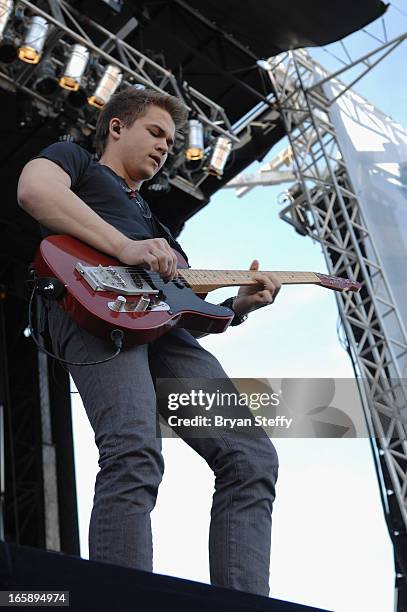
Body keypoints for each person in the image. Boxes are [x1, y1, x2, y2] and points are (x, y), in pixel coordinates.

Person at [17, 88, 281, 597]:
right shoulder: (78, 160)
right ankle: (123, 600)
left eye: (172, 141)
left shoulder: (156, 225)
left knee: (252, 459)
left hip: (163, 330)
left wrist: (237, 307)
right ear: (116, 127)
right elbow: (35, 191)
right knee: (134, 449)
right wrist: (124, 246)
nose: (165, 148)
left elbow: (183, 304)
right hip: (92, 311)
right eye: (156, 133)